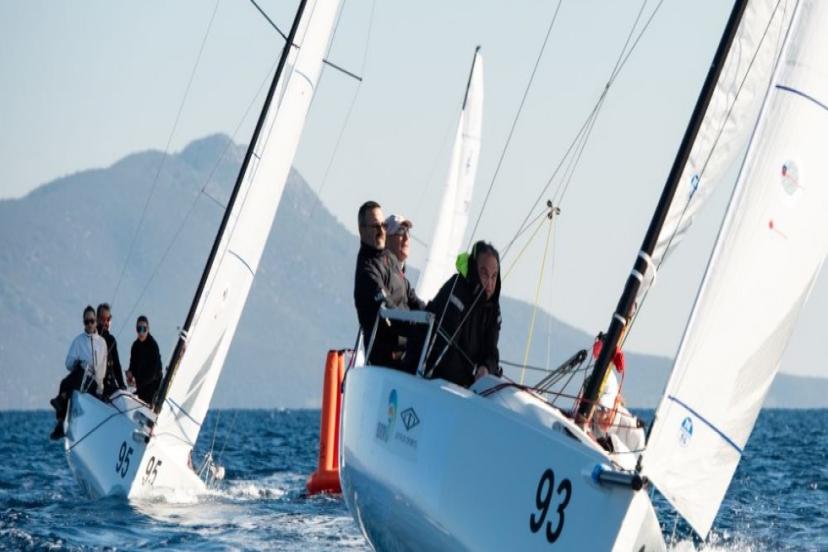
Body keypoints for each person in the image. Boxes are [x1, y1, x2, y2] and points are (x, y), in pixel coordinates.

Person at [416, 241, 502, 387]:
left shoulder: (493, 308)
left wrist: (486, 368)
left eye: (494, 276)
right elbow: (445, 349)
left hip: (469, 384)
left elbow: (492, 352)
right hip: (437, 378)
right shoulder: (457, 289)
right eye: (484, 273)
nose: (490, 283)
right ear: (474, 269)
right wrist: (470, 382)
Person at [353, 201, 424, 369]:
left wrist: (433, 315)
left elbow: (410, 296)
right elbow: (388, 311)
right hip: (388, 364)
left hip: (409, 353)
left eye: (383, 225)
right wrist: (420, 329)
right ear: (362, 230)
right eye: (375, 226)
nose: (381, 231)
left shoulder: (389, 258)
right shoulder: (367, 270)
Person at [49, 305, 107, 439]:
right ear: (83, 323)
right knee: (65, 382)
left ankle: (60, 400)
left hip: (93, 382)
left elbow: (102, 367)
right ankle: (60, 422)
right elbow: (68, 363)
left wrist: (100, 385)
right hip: (79, 376)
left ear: (96, 321)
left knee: (69, 383)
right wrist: (77, 363)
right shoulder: (78, 341)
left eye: (92, 321)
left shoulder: (102, 343)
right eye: (87, 321)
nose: (89, 324)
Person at [127, 315, 163, 404]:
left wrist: (138, 382)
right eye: (139, 329)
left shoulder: (153, 346)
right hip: (140, 389)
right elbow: (132, 365)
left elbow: (154, 373)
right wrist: (130, 374)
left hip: (153, 390)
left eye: (144, 329)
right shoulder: (135, 346)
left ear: (148, 329)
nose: (141, 332)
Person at [97, 303, 126, 398]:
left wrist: (122, 385)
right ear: (97, 319)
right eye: (103, 319)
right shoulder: (92, 337)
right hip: (95, 384)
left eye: (108, 319)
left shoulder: (111, 340)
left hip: (109, 385)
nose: (106, 322)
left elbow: (117, 365)